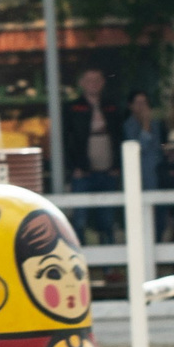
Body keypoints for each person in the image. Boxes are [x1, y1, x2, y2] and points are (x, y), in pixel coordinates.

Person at [62, 68, 121, 240]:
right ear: (81, 83)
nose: (93, 84)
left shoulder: (111, 107)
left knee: (107, 219)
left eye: (97, 80)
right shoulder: (73, 108)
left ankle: (108, 266)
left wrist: (117, 166)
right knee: (80, 218)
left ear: (103, 83)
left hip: (108, 171)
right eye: (89, 80)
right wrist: (75, 167)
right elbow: (66, 140)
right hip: (83, 172)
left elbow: (119, 137)